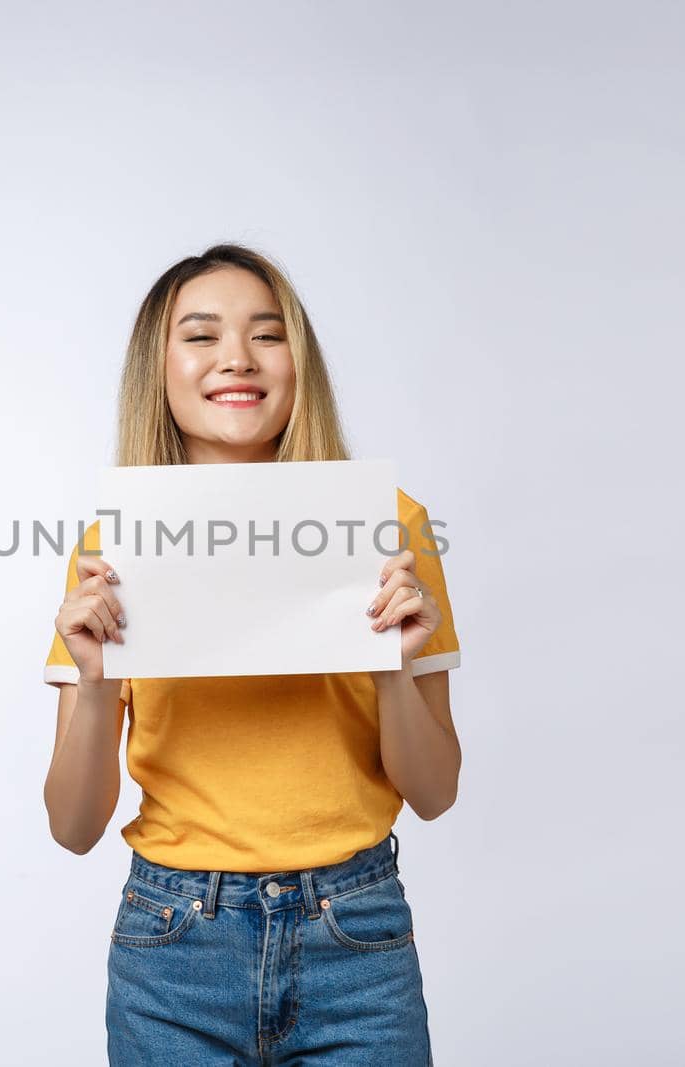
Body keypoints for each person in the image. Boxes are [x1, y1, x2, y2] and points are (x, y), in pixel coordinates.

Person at [42, 243, 462, 1066]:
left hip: (356, 933)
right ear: (157, 370)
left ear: (298, 361)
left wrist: (390, 668)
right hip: (175, 944)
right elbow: (73, 824)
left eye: (267, 334)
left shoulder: (389, 524)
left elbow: (437, 791)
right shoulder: (111, 544)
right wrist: (96, 685)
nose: (237, 356)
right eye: (201, 336)